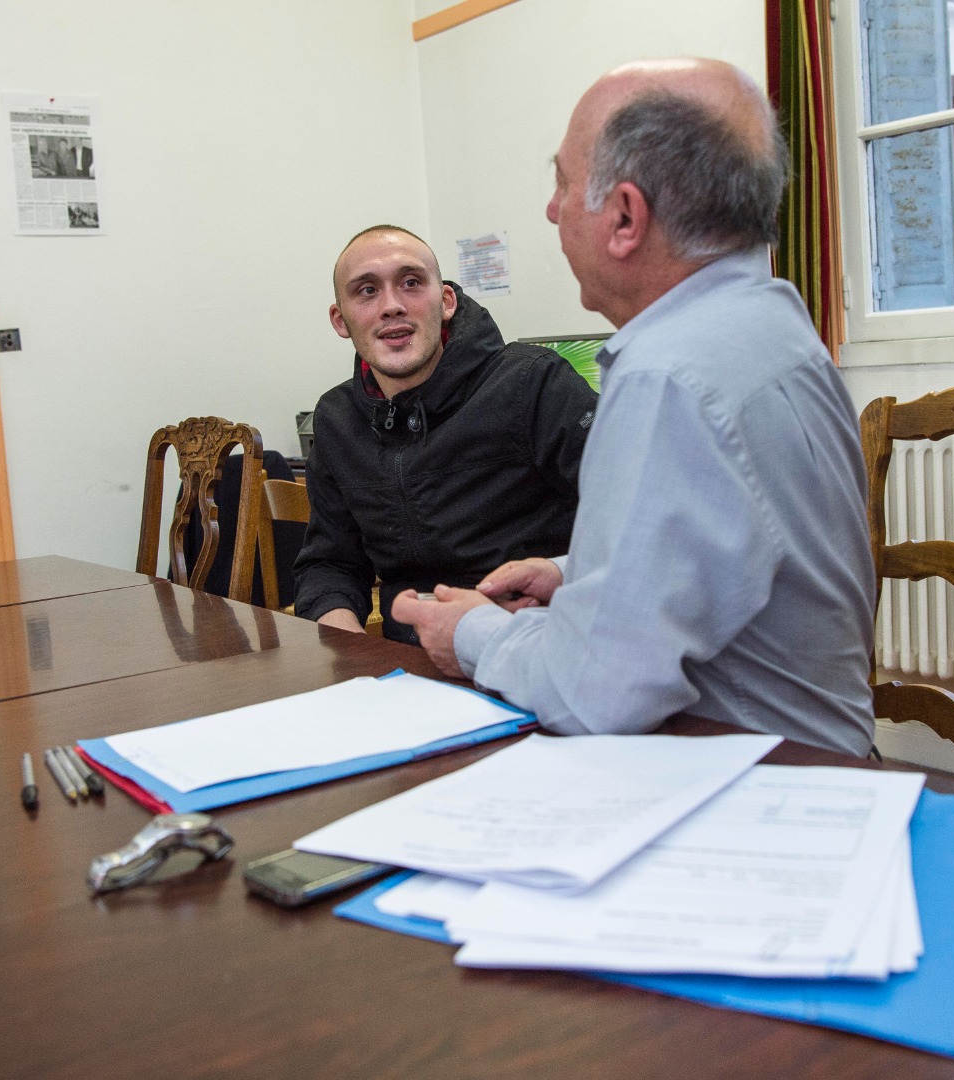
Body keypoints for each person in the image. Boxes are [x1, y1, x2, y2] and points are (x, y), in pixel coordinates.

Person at [392, 60, 877, 756]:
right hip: (826, 759)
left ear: (623, 218)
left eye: (561, 183)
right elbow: (740, 546)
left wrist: (470, 633)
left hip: (752, 784)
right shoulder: (772, 323)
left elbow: (592, 695)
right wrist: (579, 570)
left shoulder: (667, 375)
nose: (552, 209)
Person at [293, 225, 599, 647]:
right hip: (410, 666)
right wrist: (349, 647)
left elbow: (638, 522)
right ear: (340, 319)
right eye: (366, 291)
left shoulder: (534, 383)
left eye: (412, 283)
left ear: (447, 300)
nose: (392, 306)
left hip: (537, 645)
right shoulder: (337, 419)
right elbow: (332, 562)